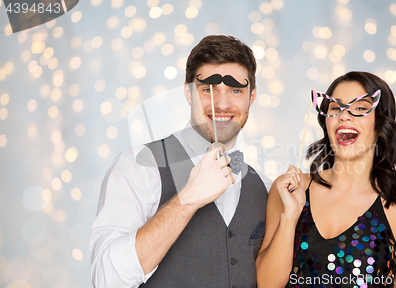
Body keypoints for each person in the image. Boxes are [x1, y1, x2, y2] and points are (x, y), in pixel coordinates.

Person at [90, 35, 272, 288]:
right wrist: (187, 200)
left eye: (236, 90)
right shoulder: (140, 165)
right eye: (208, 89)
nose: (222, 103)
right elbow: (106, 280)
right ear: (188, 93)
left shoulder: (264, 186)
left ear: (251, 97)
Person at [256, 71, 396, 287]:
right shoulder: (290, 189)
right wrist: (290, 215)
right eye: (335, 108)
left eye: (360, 108)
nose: (344, 116)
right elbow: (266, 284)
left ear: (380, 123)